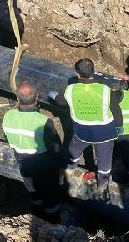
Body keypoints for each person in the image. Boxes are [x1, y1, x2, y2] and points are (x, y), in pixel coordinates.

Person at [48, 58, 123, 192]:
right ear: (94, 71)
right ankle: (103, 185)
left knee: (74, 151)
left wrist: (55, 97)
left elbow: (63, 103)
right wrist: (119, 126)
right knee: (104, 160)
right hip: (105, 133)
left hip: (82, 132)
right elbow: (116, 111)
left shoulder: (71, 89)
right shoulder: (105, 90)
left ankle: (67, 173)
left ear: (78, 74)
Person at [2, 82, 62, 223]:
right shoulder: (44, 121)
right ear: (36, 98)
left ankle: (38, 217)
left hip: (23, 163)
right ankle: (53, 221)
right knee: (51, 195)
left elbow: (7, 137)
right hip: (45, 166)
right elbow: (56, 149)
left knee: (33, 191)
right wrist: (61, 167)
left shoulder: (8, 116)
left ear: (17, 99)